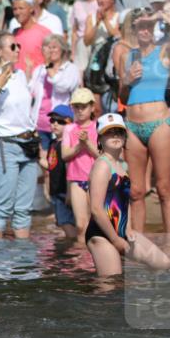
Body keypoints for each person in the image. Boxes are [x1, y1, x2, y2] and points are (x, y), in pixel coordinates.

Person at [119, 7, 170, 235]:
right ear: (135, 29)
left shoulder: (163, 52)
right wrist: (127, 80)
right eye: (141, 26)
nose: (145, 30)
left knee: (163, 188)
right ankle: (138, 246)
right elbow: (122, 96)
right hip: (132, 126)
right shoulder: (127, 56)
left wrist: (161, 17)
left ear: (153, 28)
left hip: (158, 123)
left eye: (148, 26)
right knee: (137, 191)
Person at [85, 112, 170, 276]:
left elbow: (124, 201)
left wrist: (129, 228)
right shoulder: (102, 166)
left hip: (122, 232)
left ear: (125, 137)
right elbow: (96, 208)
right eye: (109, 132)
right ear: (100, 139)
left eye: (119, 132)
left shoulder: (121, 166)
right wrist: (115, 240)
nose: (115, 135)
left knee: (162, 263)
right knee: (111, 286)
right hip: (101, 234)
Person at [0, 31, 40, 240]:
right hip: (4, 145)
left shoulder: (20, 75)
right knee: (1, 207)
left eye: (18, 46)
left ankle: (22, 263)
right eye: (12, 46)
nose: (17, 50)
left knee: (24, 209)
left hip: (28, 143)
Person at [29, 34, 79, 153]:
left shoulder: (71, 69)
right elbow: (30, 91)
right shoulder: (39, 69)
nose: (51, 50)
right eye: (48, 47)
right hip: (40, 124)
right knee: (43, 162)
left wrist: (48, 66)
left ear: (62, 50)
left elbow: (63, 87)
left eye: (54, 47)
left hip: (61, 125)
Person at [62, 87, 99, 237]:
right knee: (80, 225)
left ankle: (93, 257)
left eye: (83, 107)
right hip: (76, 180)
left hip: (96, 179)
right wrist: (79, 145)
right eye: (76, 107)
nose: (80, 110)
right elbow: (65, 155)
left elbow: (101, 155)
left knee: (95, 221)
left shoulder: (98, 127)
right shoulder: (69, 129)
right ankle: (81, 259)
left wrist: (87, 143)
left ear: (92, 107)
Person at [46, 104, 74, 238]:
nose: (55, 124)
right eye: (52, 120)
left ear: (69, 123)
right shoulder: (53, 143)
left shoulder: (67, 145)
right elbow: (50, 165)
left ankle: (76, 245)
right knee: (62, 222)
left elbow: (70, 169)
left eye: (60, 121)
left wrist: (69, 192)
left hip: (65, 191)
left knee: (66, 222)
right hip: (56, 191)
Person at [12, 0, 52, 74]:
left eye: (21, 8)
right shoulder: (14, 33)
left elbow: (52, 61)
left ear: (31, 9)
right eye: (15, 9)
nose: (17, 12)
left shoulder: (44, 33)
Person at [71, 0, 99, 74]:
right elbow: (74, 31)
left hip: (97, 43)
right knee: (79, 75)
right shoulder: (77, 5)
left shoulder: (101, 3)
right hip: (81, 45)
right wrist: (73, 52)